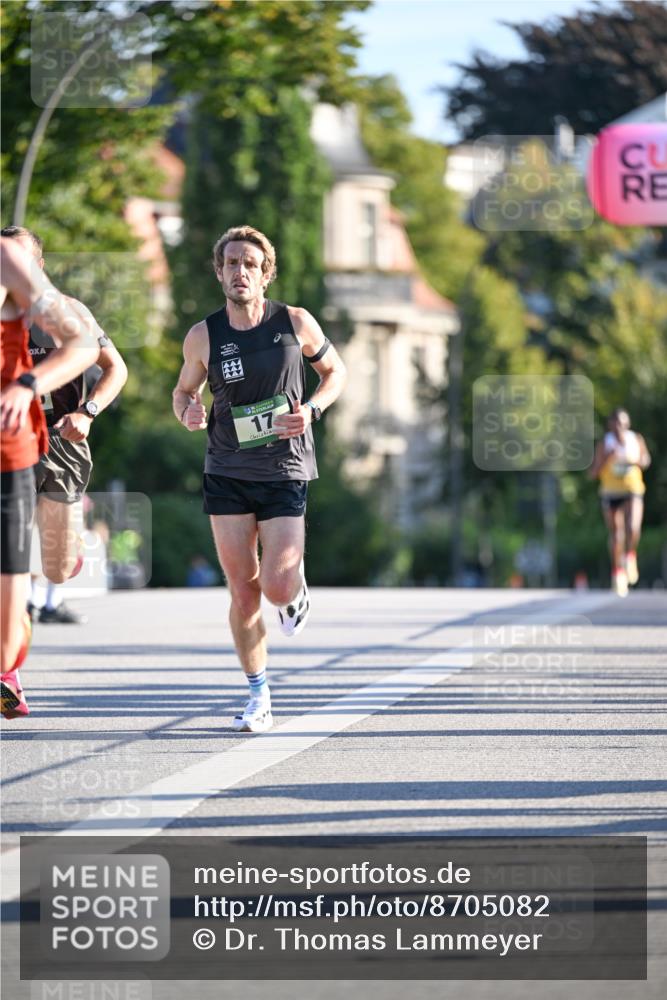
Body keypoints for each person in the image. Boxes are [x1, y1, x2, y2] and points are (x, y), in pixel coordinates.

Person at [173, 225, 346, 733]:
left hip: (284, 467)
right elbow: (183, 391)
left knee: (275, 585)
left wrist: (311, 410)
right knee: (243, 592)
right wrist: (187, 410)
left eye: (250, 263)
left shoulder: (294, 322)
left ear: (266, 273)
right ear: (219, 273)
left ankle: (294, 590)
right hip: (226, 469)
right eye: (231, 263)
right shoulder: (203, 335)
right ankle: (259, 695)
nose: (240, 271)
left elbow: (336, 373)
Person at [1, 226, 128, 623]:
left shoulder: (68, 311)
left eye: (21, 262)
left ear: (38, 267)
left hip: (60, 439)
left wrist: (87, 412)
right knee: (11, 556)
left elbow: (116, 369)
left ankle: (57, 560)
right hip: (9, 435)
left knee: (56, 566)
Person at [1, 236, 99, 718]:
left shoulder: (61, 307)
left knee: (56, 568)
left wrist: (86, 408)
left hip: (53, 443)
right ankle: (8, 676)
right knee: (9, 576)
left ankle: (67, 551)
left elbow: (101, 360)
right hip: (11, 450)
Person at [589, 408, 651, 596]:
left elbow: (646, 461)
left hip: (633, 489)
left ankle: (629, 556)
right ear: (610, 425)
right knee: (616, 535)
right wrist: (608, 458)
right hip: (610, 492)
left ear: (627, 424)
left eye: (622, 423)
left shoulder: (636, 440)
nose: (619, 427)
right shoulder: (605, 444)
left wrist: (636, 460)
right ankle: (618, 573)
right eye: (615, 423)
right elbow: (593, 473)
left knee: (633, 528)